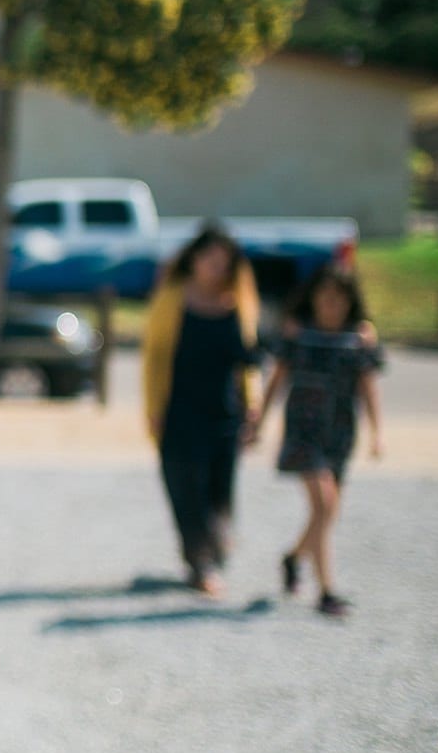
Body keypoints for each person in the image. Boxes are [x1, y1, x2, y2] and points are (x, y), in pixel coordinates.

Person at [250, 264, 385, 618]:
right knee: (324, 506)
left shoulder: (358, 340)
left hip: (339, 434)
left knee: (326, 512)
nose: (331, 305)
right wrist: (259, 423)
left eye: (339, 299)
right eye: (325, 297)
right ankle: (327, 592)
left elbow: (368, 387)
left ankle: (294, 557)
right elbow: (276, 381)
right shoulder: (297, 336)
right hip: (303, 433)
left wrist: (377, 433)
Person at [141, 227, 263, 595]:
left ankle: (214, 549)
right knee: (184, 487)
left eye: (223, 261)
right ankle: (200, 562)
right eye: (209, 258)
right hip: (179, 409)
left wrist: (253, 406)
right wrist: (152, 408)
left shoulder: (239, 302)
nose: (215, 267)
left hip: (225, 411)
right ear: (193, 260)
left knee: (219, 489)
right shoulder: (172, 299)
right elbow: (154, 357)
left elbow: (249, 359)